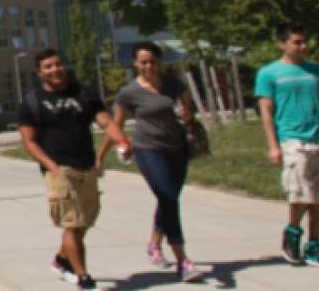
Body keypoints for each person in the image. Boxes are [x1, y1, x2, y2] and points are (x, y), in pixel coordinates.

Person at [19, 49, 129, 291]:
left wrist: (123, 142)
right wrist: (51, 166)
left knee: (83, 223)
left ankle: (61, 259)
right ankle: (83, 277)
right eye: (48, 67)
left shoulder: (85, 93)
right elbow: (29, 141)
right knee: (72, 222)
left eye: (58, 64)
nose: (55, 70)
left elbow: (107, 122)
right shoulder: (33, 101)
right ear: (39, 73)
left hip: (87, 167)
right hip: (60, 170)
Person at [100, 41, 203, 282]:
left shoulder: (173, 84)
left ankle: (154, 245)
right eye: (143, 62)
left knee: (168, 199)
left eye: (153, 62)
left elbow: (189, 110)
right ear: (135, 63)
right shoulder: (129, 93)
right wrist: (101, 156)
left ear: (159, 62)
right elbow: (116, 125)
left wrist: (188, 114)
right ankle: (183, 260)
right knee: (167, 198)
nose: (149, 66)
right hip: (147, 149)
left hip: (176, 149)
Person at [255, 22, 319, 269]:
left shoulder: (316, 71)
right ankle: (293, 232)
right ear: (282, 44)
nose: (303, 46)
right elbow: (266, 111)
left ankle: (315, 247)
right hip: (291, 139)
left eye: (305, 41)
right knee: (300, 193)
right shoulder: (269, 73)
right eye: (297, 42)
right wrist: (273, 145)